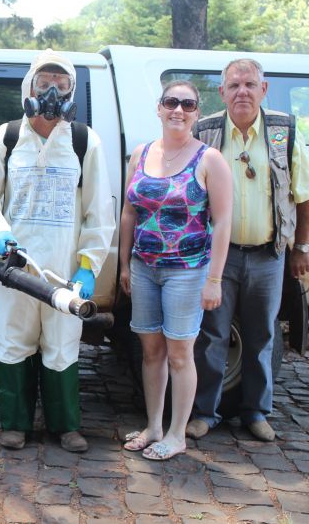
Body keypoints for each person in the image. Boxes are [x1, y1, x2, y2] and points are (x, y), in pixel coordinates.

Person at [0, 49, 115, 453]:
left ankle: (65, 426)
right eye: (45, 83)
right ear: (29, 88)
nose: (52, 92)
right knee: (13, 338)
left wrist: (88, 266)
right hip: (15, 266)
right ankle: (14, 424)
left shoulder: (84, 141)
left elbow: (99, 210)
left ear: (71, 90)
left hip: (64, 270)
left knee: (62, 342)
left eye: (61, 84)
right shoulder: (6, 137)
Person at [186, 59, 309, 442]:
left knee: (262, 335)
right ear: (222, 92)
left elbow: (306, 194)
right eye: (234, 85)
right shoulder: (205, 132)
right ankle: (204, 413)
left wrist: (302, 247)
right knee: (211, 335)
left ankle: (256, 412)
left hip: (268, 255)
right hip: (219, 257)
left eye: (249, 84)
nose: (242, 92)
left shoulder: (283, 132)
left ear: (264, 89)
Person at [119, 81, 232, 460]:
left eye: (187, 104)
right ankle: (153, 426)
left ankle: (177, 434)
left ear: (197, 112)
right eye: (171, 102)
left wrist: (214, 279)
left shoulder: (209, 159)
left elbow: (223, 221)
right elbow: (129, 212)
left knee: (180, 354)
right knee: (151, 352)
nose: (178, 110)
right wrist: (124, 264)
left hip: (187, 271)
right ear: (159, 108)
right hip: (144, 268)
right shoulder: (141, 153)